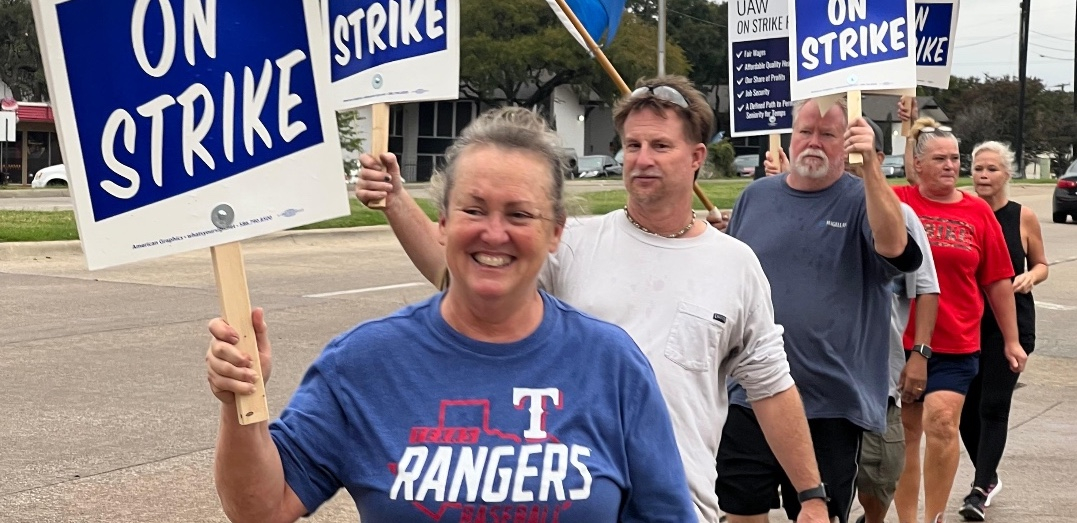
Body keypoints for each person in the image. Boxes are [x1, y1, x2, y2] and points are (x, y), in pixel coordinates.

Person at [356, 75, 830, 523]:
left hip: (682, 503)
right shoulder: (571, 242)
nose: (642, 158)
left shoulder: (736, 264)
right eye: (633, 145)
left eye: (661, 146)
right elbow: (454, 273)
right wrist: (397, 200)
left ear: (695, 157)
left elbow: (770, 387)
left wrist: (810, 495)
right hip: (573, 500)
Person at [203, 107, 698, 522]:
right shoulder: (362, 363)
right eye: (474, 209)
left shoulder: (610, 364)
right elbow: (261, 508)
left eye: (520, 214)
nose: (494, 232)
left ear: (555, 233)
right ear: (442, 221)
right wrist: (240, 401)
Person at [719, 97, 922, 523]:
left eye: (828, 134)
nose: (814, 142)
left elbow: (895, 248)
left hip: (830, 404)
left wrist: (870, 168)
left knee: (816, 515)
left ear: (845, 143)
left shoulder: (865, 202)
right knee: (739, 509)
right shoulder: (754, 198)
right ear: (790, 138)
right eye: (805, 132)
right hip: (749, 395)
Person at [891, 120, 1028, 523]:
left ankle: (933, 515)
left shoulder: (977, 211)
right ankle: (906, 519)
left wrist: (1012, 340)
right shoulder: (898, 201)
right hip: (899, 340)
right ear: (917, 164)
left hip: (957, 341)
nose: (951, 165)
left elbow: (997, 281)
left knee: (942, 422)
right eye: (940, 158)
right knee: (905, 433)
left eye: (955, 158)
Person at [957, 141, 1048, 521]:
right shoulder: (962, 211)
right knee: (963, 412)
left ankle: (979, 489)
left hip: (1009, 326)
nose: (982, 175)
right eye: (978, 168)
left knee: (992, 406)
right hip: (965, 324)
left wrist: (1030, 276)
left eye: (991, 169)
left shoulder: (1022, 216)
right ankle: (989, 475)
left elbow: (1042, 263)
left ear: (1006, 174)